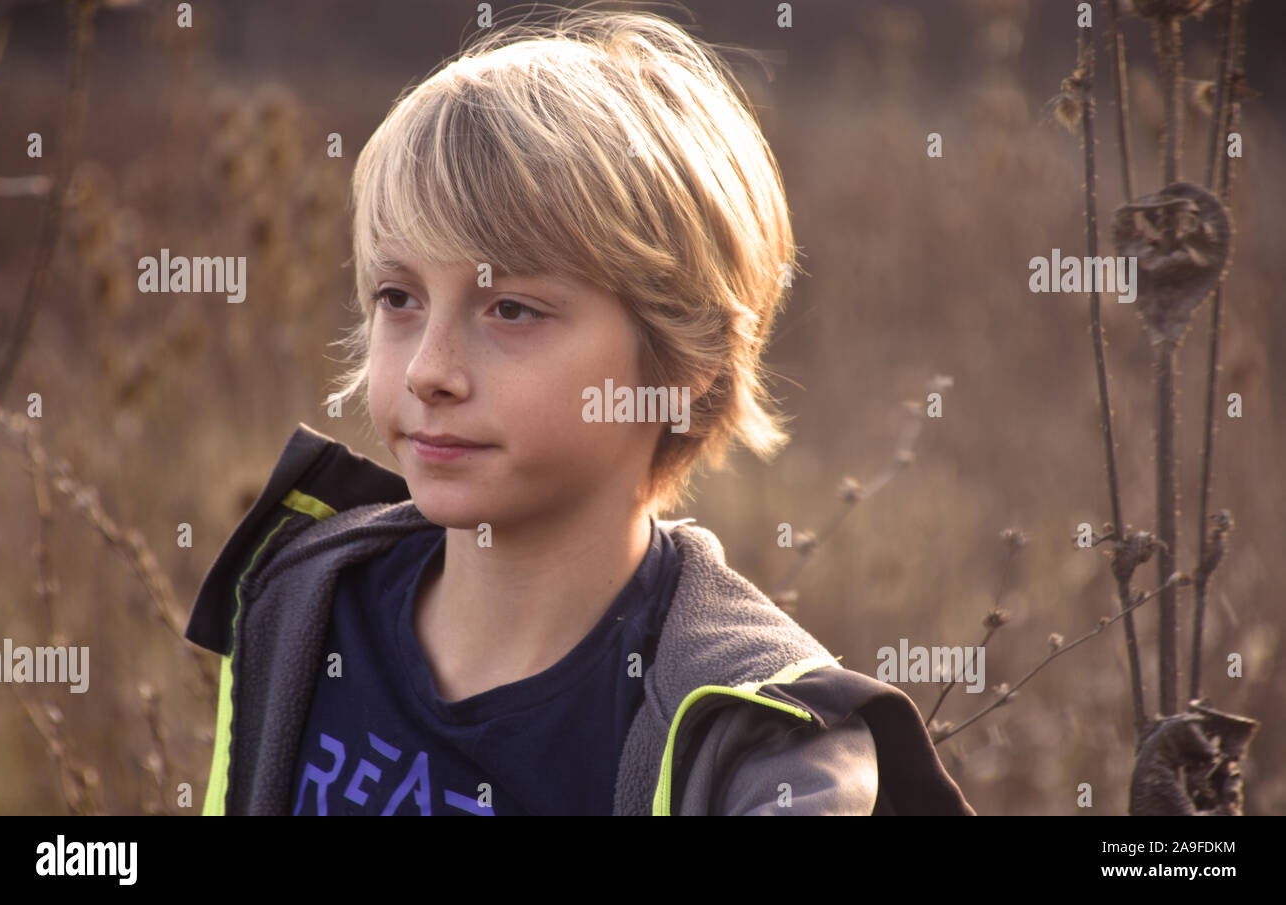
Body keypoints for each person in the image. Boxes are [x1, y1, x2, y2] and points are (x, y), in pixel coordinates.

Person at [185, 7, 974, 816]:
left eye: (513, 311)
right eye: (399, 297)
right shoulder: (301, 598)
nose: (429, 371)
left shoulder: (765, 752)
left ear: (684, 360)